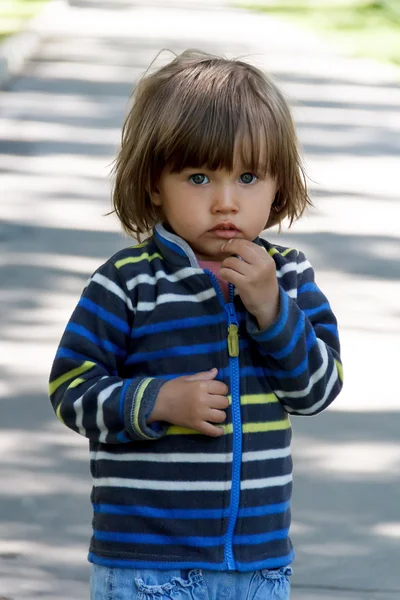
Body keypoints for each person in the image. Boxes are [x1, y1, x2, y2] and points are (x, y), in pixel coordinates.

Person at [49, 49, 343, 600]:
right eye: (199, 176)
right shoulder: (127, 282)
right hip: (145, 561)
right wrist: (157, 402)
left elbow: (317, 391)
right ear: (156, 184)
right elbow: (71, 390)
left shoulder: (289, 276)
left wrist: (273, 311)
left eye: (249, 176)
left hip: (258, 563)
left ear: (278, 185)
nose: (225, 201)